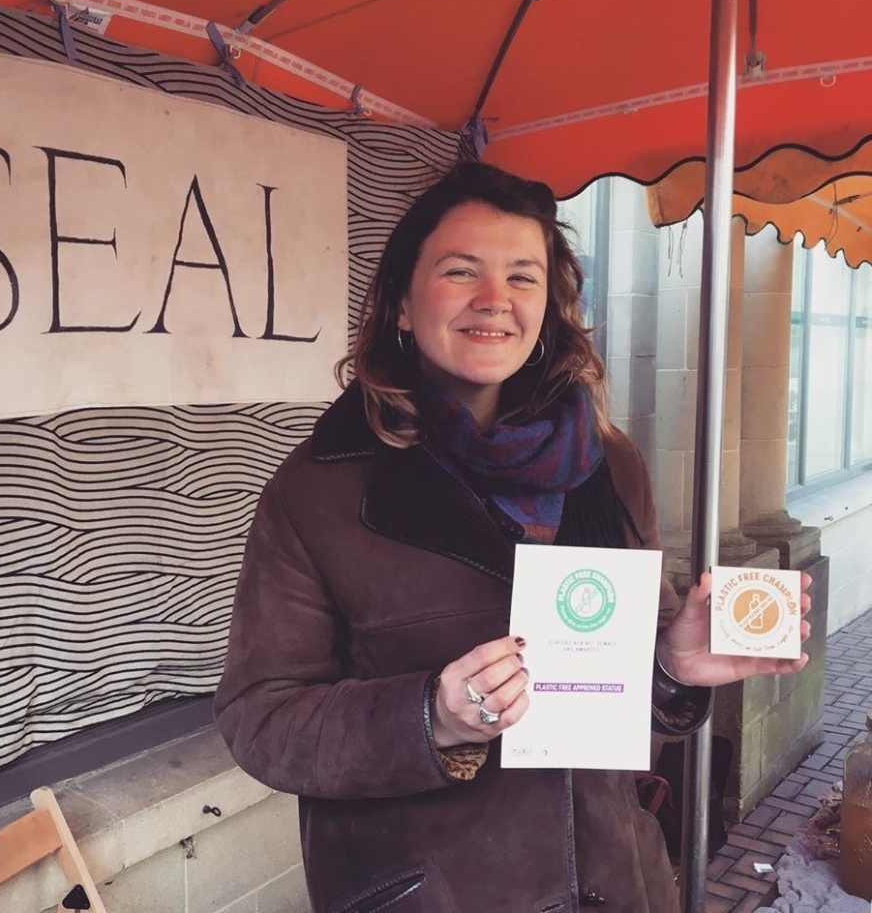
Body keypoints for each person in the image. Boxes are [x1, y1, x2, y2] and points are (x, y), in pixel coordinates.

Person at [213, 162, 811, 913]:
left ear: (551, 306)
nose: (494, 300)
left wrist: (671, 666)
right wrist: (432, 716)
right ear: (401, 302)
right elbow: (260, 718)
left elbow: (628, 703)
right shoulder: (320, 491)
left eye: (523, 278)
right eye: (461, 271)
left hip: (620, 885)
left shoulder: (608, 464)